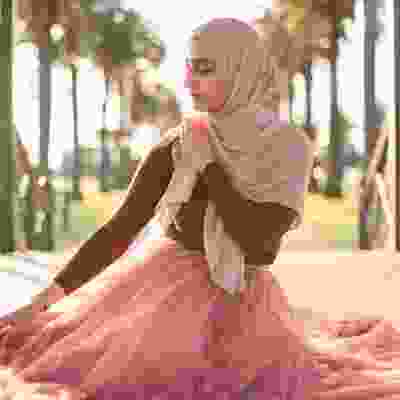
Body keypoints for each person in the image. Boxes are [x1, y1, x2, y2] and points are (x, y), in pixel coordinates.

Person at [0, 17, 400, 400]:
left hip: (244, 308)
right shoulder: (177, 144)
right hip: (156, 298)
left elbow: (259, 247)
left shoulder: (288, 148)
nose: (190, 82)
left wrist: (209, 168)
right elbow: (118, 231)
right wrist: (40, 303)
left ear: (242, 69)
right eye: (190, 68)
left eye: (205, 69)